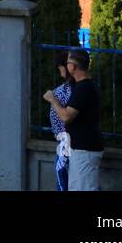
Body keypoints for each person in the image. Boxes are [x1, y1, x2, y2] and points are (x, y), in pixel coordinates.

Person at [44, 48, 102, 190]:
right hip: (80, 149)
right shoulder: (84, 87)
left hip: (85, 150)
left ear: (73, 66)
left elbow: (66, 116)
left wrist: (52, 99)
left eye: (68, 61)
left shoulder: (83, 88)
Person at [47, 51, 74, 191]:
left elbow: (65, 115)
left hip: (66, 139)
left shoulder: (68, 89)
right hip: (64, 139)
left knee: (61, 172)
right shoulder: (68, 88)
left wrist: (52, 98)